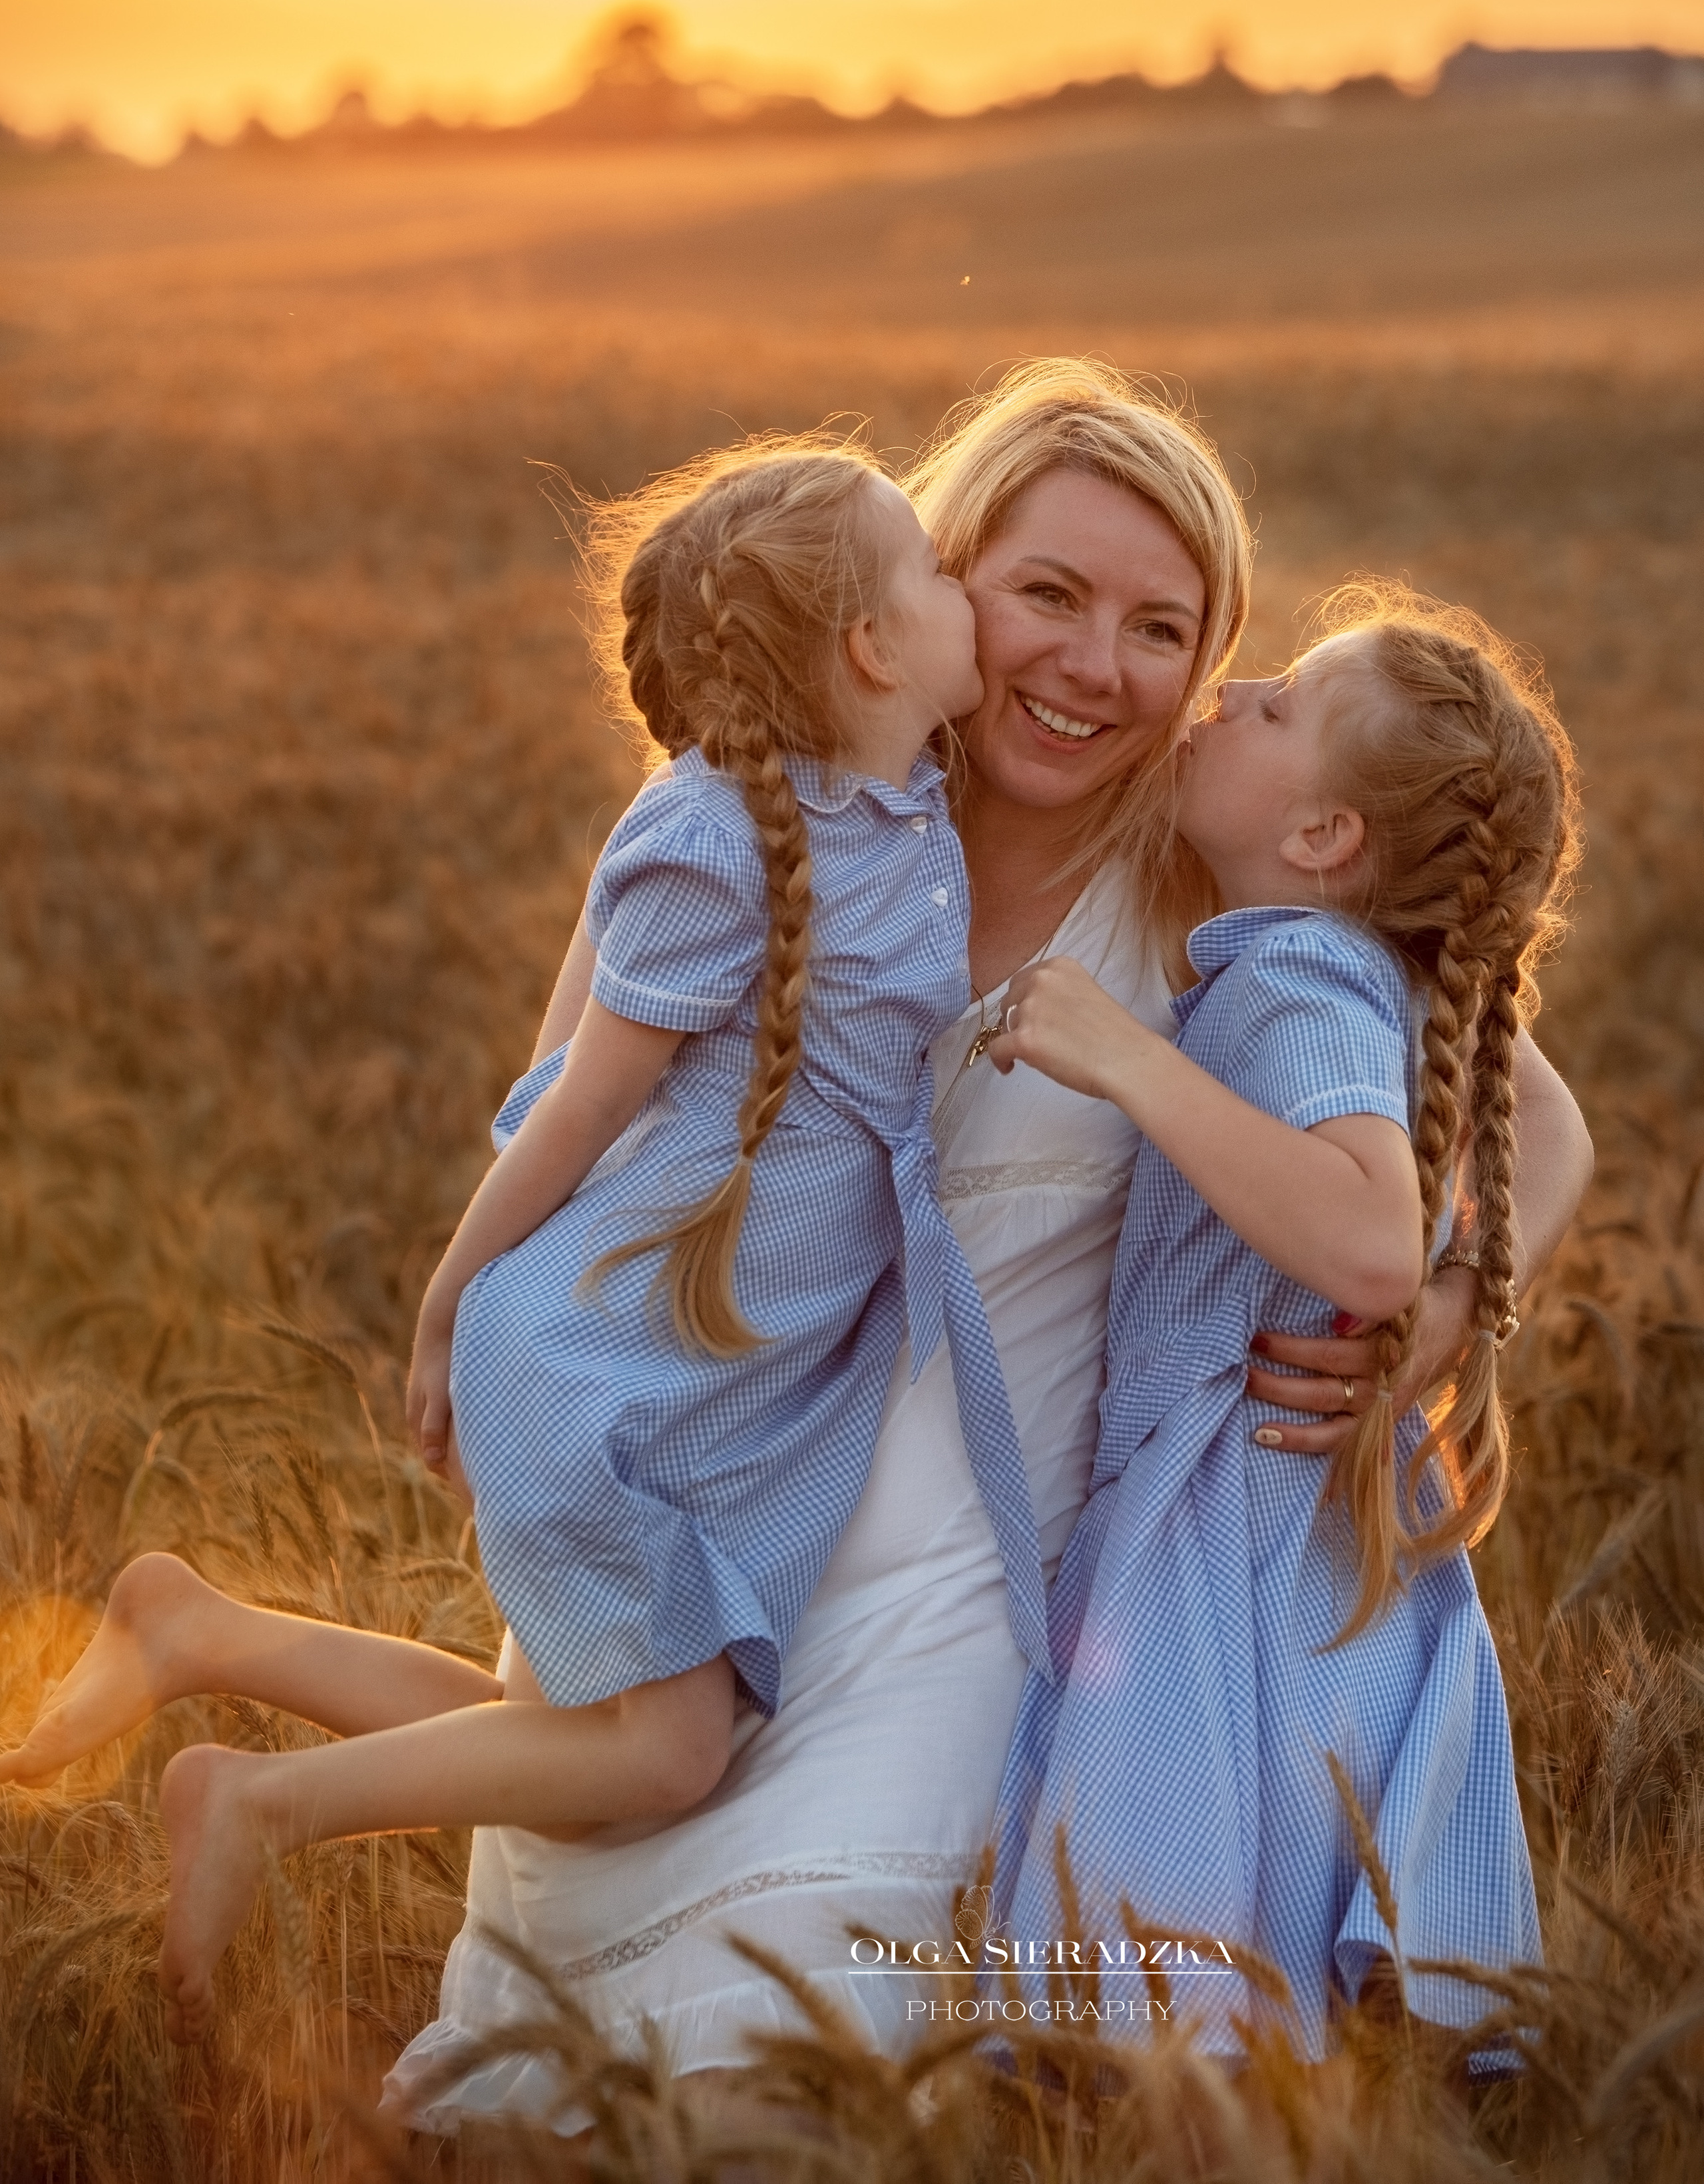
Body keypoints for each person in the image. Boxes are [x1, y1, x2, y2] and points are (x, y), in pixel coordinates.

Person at [383, 365, 1594, 2133]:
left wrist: (1455, 1313)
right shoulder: (769, 819)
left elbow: (1532, 1119)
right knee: (547, 2103)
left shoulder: (1208, 877)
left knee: (800, 2095)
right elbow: (574, 1139)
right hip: (714, 1556)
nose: (1094, 665)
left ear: (1209, 662)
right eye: (1048, 595)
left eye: (1161, 627)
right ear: (939, 592)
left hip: (979, 1609)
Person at [0, 440, 1052, 2045]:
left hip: (721, 1377)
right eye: (933, 568)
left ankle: (199, 1630)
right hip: (601, 1364)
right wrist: (441, 1316)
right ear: (867, 646)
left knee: (573, 1741)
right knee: (662, 1757)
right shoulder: (716, 846)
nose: (964, 587)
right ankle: (259, 1803)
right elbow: (568, 1109)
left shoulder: (897, 793)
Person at [988, 583, 1579, 2053]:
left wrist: (1126, 1058)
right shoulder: (1358, 966)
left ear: (1320, 841)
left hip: (1226, 1514)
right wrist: (1467, 1305)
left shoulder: (1298, 978)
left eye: (1279, 705)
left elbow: (1370, 1236)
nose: (1234, 693)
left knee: (1172, 1896)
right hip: (1299, 1507)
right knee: (1288, 1891)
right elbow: (1552, 1132)